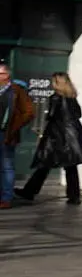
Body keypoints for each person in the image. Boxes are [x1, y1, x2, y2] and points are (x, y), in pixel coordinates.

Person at [18, 73, 82, 206]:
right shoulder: (72, 97)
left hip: (56, 135)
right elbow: (78, 114)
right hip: (72, 135)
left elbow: (51, 116)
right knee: (70, 166)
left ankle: (29, 191)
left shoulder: (56, 97)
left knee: (45, 164)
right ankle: (74, 196)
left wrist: (42, 133)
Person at [0, 59, 36, 207]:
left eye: (0, 73)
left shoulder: (16, 91)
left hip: (6, 134)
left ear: (6, 75)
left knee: (6, 166)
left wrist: (15, 125)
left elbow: (29, 112)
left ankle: (6, 198)